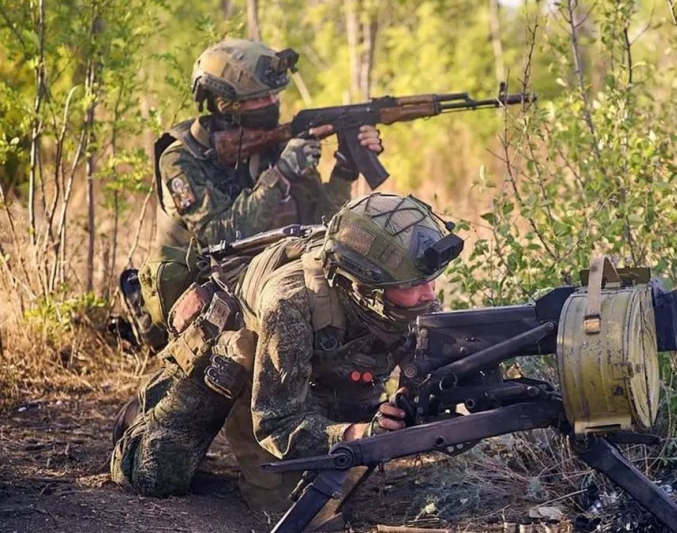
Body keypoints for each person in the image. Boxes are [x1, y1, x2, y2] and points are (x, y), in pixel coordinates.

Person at [110, 192, 464, 520]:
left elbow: (428, 370)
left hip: (315, 369)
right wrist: (357, 434)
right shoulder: (290, 302)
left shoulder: (412, 293)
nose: (428, 294)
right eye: (413, 285)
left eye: (431, 280)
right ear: (365, 285)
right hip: (236, 358)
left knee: (342, 480)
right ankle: (147, 415)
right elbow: (277, 422)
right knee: (158, 474)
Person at [122, 37, 383, 352]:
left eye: (276, 94)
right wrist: (281, 175)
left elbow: (320, 222)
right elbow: (221, 236)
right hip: (204, 292)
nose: (274, 103)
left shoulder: (276, 146)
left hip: (265, 277)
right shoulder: (181, 160)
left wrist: (345, 168)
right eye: (263, 97)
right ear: (225, 105)